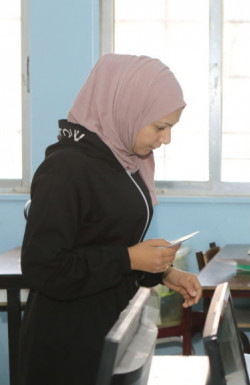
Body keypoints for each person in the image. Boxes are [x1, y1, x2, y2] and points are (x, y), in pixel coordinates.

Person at [19, 54, 203, 385]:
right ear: (127, 109)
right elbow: (43, 266)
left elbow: (105, 242)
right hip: (68, 344)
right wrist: (131, 257)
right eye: (160, 127)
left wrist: (161, 271)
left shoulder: (124, 161)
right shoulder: (67, 168)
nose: (165, 139)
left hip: (110, 325)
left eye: (170, 128)